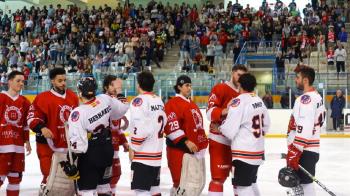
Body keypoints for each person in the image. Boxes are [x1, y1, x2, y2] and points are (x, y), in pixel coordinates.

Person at [66, 77, 129, 196]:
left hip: (90, 155)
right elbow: (123, 108)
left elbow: (78, 147)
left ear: (80, 92)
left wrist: (71, 161)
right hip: (107, 150)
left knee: (86, 191)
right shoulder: (105, 99)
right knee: (104, 189)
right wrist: (119, 90)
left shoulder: (78, 113)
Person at [27, 68, 79, 193]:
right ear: (52, 81)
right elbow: (31, 118)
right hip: (47, 145)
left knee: (69, 180)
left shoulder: (73, 96)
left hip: (69, 145)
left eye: (64, 80)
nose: (63, 83)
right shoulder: (42, 98)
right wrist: (42, 127)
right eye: (60, 80)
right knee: (48, 176)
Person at [217, 73, 270, 195]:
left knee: (242, 188)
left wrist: (219, 127)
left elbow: (229, 130)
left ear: (240, 85)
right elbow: (267, 125)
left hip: (244, 154)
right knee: (251, 183)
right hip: (257, 152)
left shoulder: (239, 101)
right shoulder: (258, 100)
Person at [206, 65, 247, 195]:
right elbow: (209, 112)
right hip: (220, 141)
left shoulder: (245, 94)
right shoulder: (220, 88)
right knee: (218, 179)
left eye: (243, 76)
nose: (240, 78)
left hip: (238, 142)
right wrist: (227, 111)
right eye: (238, 75)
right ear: (232, 73)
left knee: (239, 180)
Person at [164, 75, 208, 195]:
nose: (189, 88)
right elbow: (171, 126)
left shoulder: (192, 104)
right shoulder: (172, 103)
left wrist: (202, 144)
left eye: (190, 85)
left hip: (193, 151)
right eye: (186, 85)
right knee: (180, 184)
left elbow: (198, 126)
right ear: (179, 87)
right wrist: (186, 141)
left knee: (192, 185)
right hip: (178, 151)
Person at [286, 66, 326, 196]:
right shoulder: (317, 97)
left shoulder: (305, 99)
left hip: (304, 151)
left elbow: (305, 126)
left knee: (304, 186)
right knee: (303, 186)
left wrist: (295, 151)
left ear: (305, 80)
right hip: (310, 150)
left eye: (298, 78)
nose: (296, 80)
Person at [128, 71, 167, 196]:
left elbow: (140, 128)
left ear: (138, 84)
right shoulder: (158, 100)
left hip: (143, 155)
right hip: (156, 153)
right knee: (154, 188)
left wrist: (133, 147)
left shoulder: (138, 101)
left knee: (141, 191)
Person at [0, 71, 31, 196]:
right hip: (2, 146)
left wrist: (27, 141)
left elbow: (25, 124)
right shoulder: (1, 98)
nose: (21, 83)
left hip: (18, 147)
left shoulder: (25, 102)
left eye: (23, 81)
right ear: (10, 81)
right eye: (18, 81)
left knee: (15, 179)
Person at [102, 75, 130, 195]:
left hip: (114, 148)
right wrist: (119, 91)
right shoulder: (102, 101)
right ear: (105, 87)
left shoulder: (116, 101)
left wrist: (123, 141)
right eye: (112, 85)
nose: (115, 88)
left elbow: (117, 128)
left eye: (116, 85)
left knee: (115, 175)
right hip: (103, 147)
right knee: (103, 178)